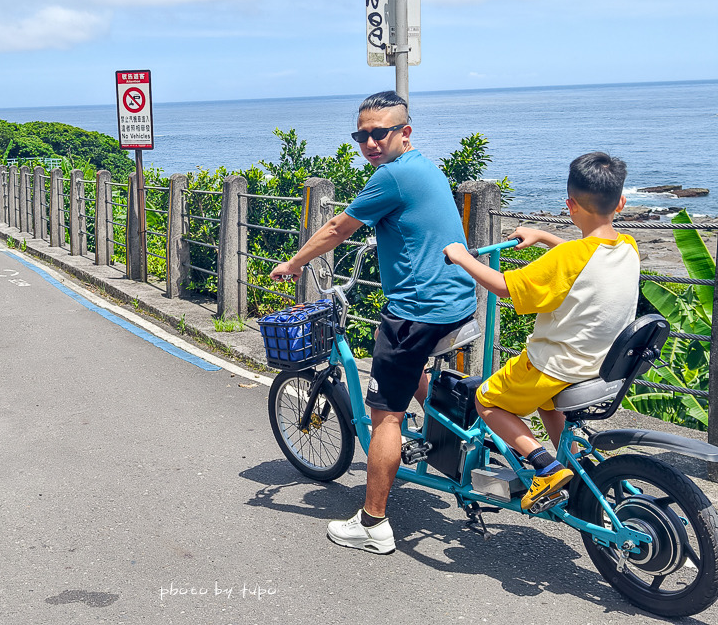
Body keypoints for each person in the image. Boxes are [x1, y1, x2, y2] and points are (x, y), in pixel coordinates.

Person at [270, 91, 477, 554]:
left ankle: (373, 524)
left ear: (405, 132)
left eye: (378, 133)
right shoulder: (425, 167)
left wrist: (294, 262)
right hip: (456, 300)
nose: (369, 142)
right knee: (414, 373)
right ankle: (455, 438)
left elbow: (338, 229)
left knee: (386, 416)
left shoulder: (392, 177)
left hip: (417, 312)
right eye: (360, 134)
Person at [443, 152, 639, 511]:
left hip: (556, 366)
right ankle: (576, 469)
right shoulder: (627, 246)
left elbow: (503, 286)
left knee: (486, 400)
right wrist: (544, 236)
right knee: (549, 405)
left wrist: (463, 257)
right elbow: (585, 259)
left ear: (570, 205)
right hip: (601, 365)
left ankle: (545, 467)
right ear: (621, 203)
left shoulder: (566, 260)